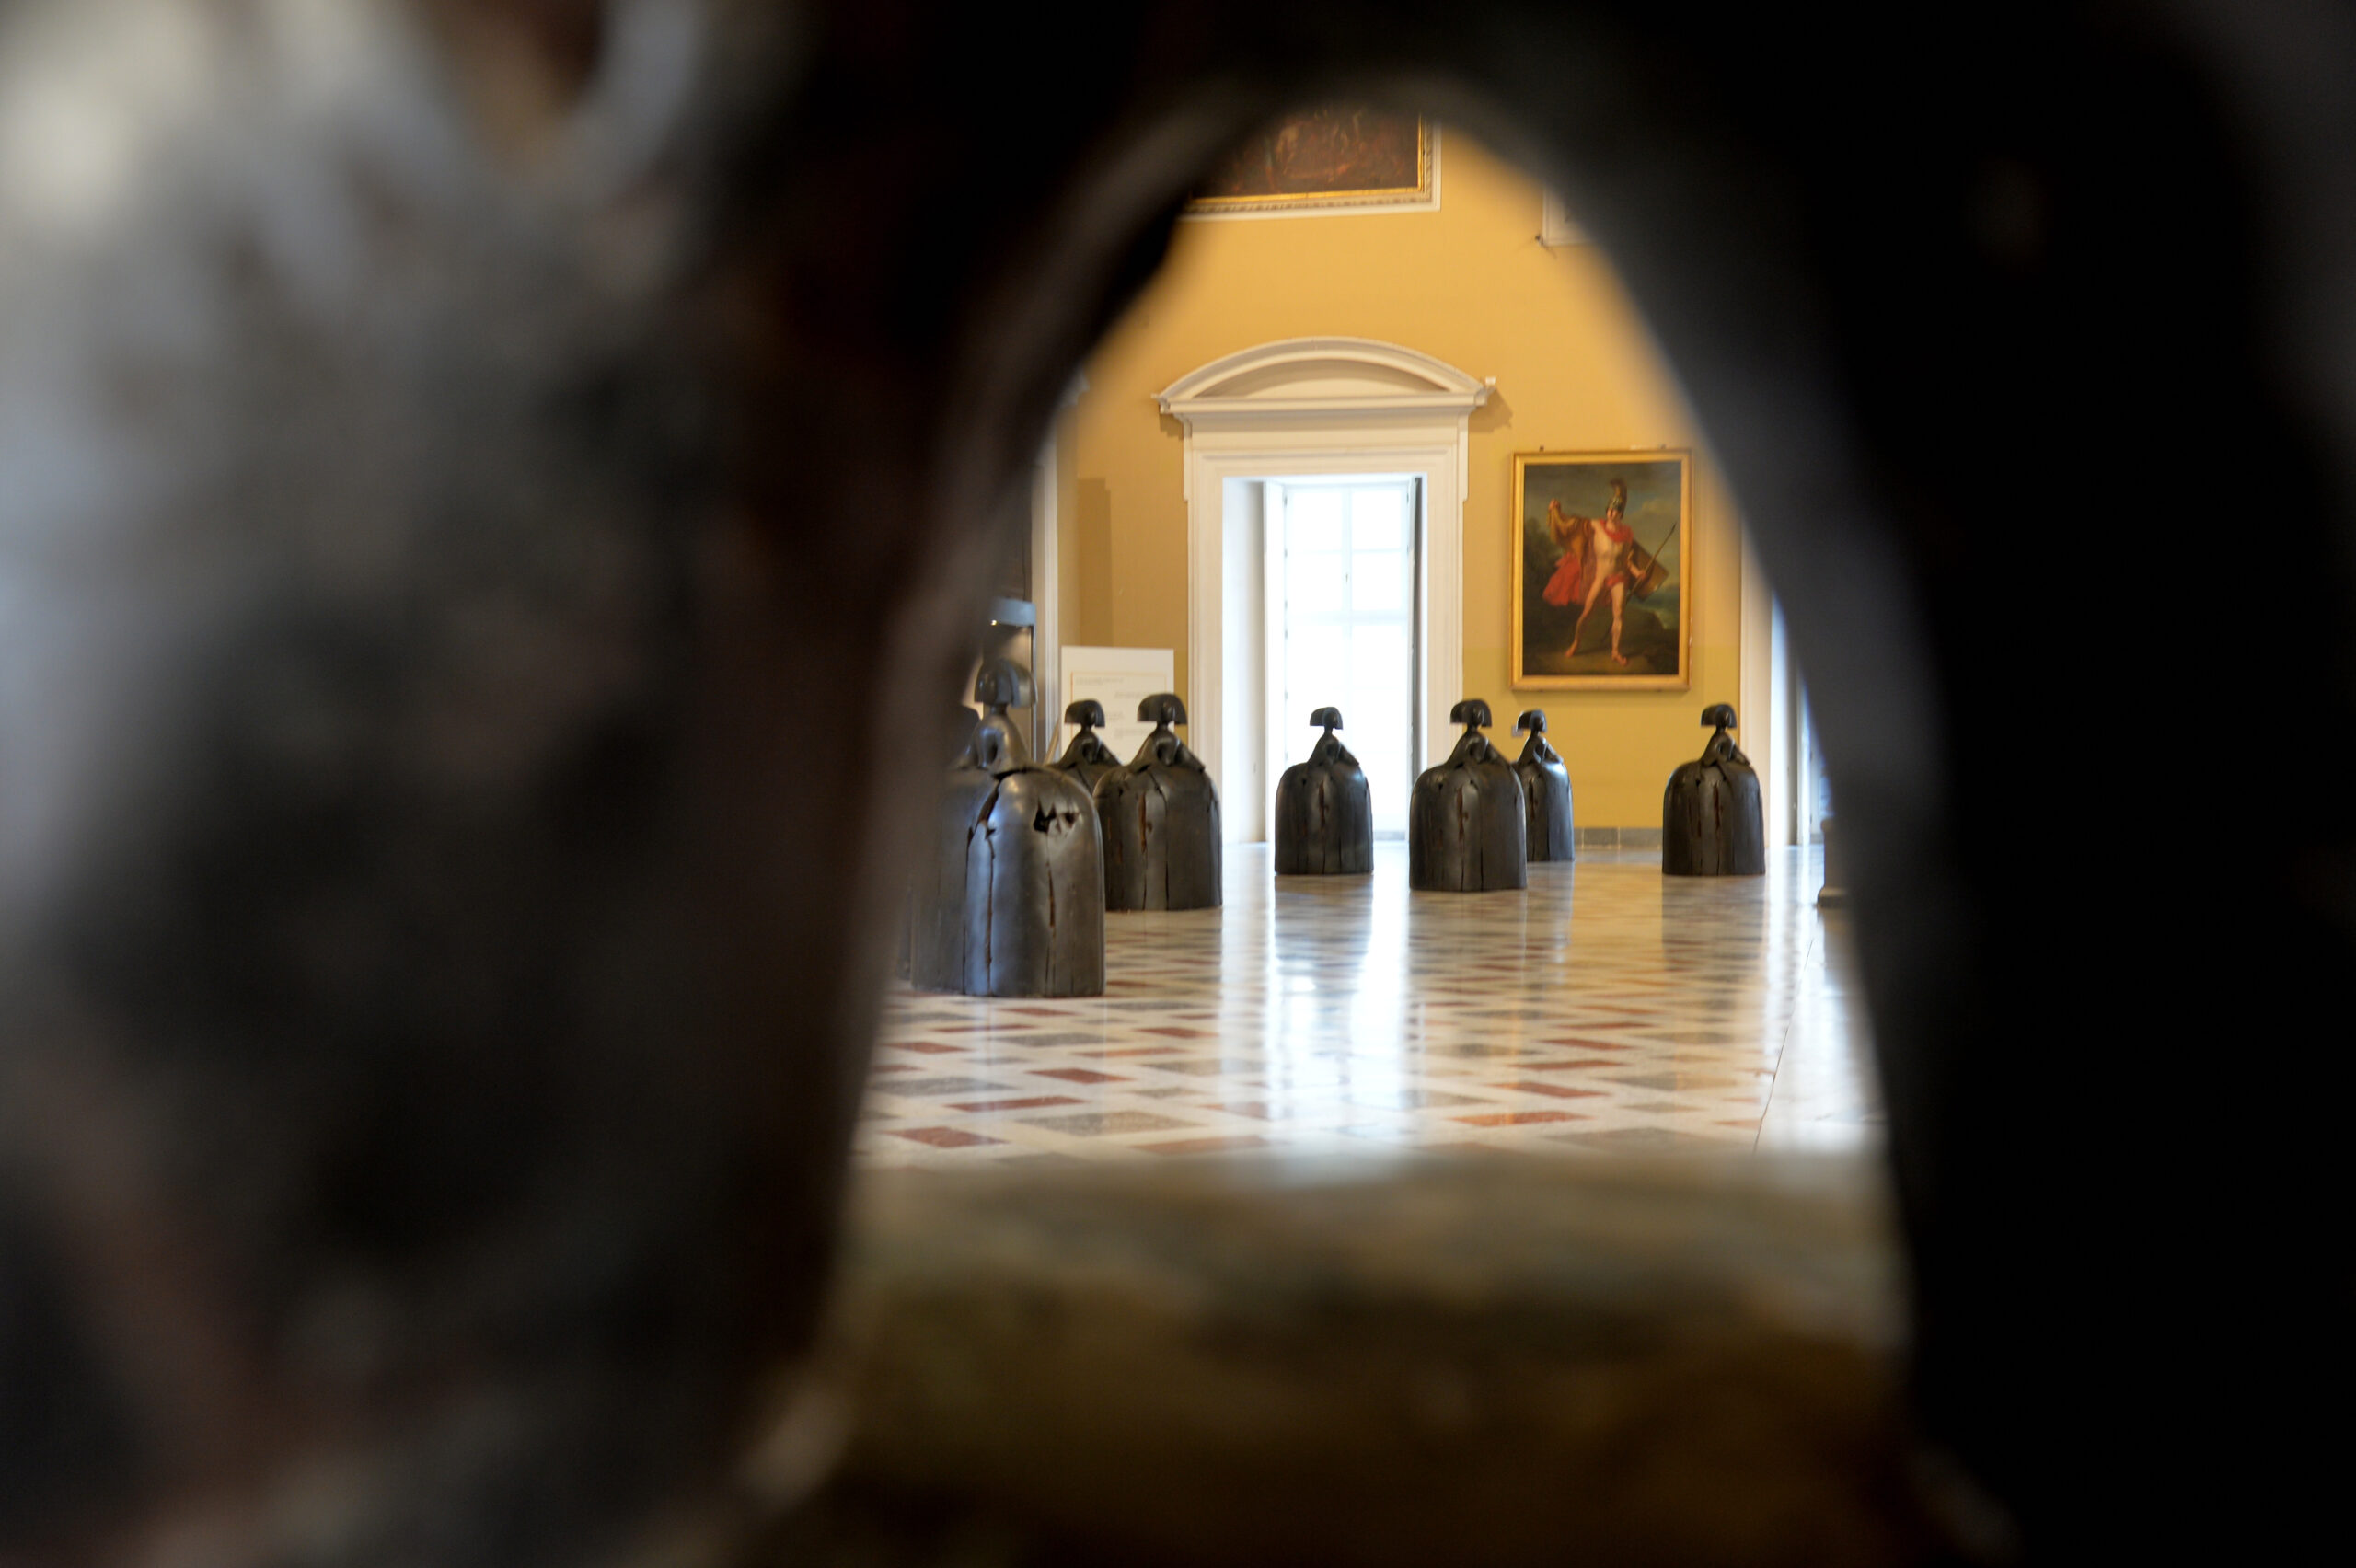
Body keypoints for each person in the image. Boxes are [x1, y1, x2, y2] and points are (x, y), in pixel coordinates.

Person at [1541, 479, 1656, 666]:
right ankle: (1576, 643)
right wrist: (1557, 511)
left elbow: (1626, 560)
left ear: (1621, 514)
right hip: (1601, 577)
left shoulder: (1627, 533)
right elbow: (1572, 524)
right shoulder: (1596, 525)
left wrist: (1637, 573)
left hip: (1619, 578)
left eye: (1615, 511)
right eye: (1609, 510)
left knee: (1618, 613)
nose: (1611, 513)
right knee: (1587, 612)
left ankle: (1615, 651)